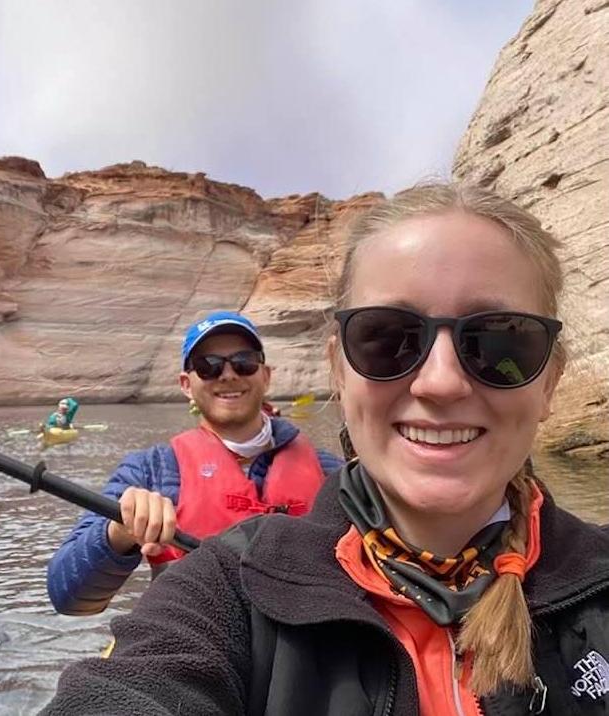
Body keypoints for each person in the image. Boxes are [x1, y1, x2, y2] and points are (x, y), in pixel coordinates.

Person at [41, 184, 609, 715]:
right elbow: (75, 604)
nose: (441, 382)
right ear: (340, 369)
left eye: (500, 341)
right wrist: (116, 538)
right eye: (387, 339)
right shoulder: (185, 524)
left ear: (550, 382)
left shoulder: (322, 467)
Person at [47, 310, 343, 615]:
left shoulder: (329, 471)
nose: (229, 375)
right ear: (186, 384)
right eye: (208, 366)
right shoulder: (151, 470)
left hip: (305, 638)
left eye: (244, 362)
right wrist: (119, 533)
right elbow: (67, 597)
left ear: (265, 375)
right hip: (198, 637)